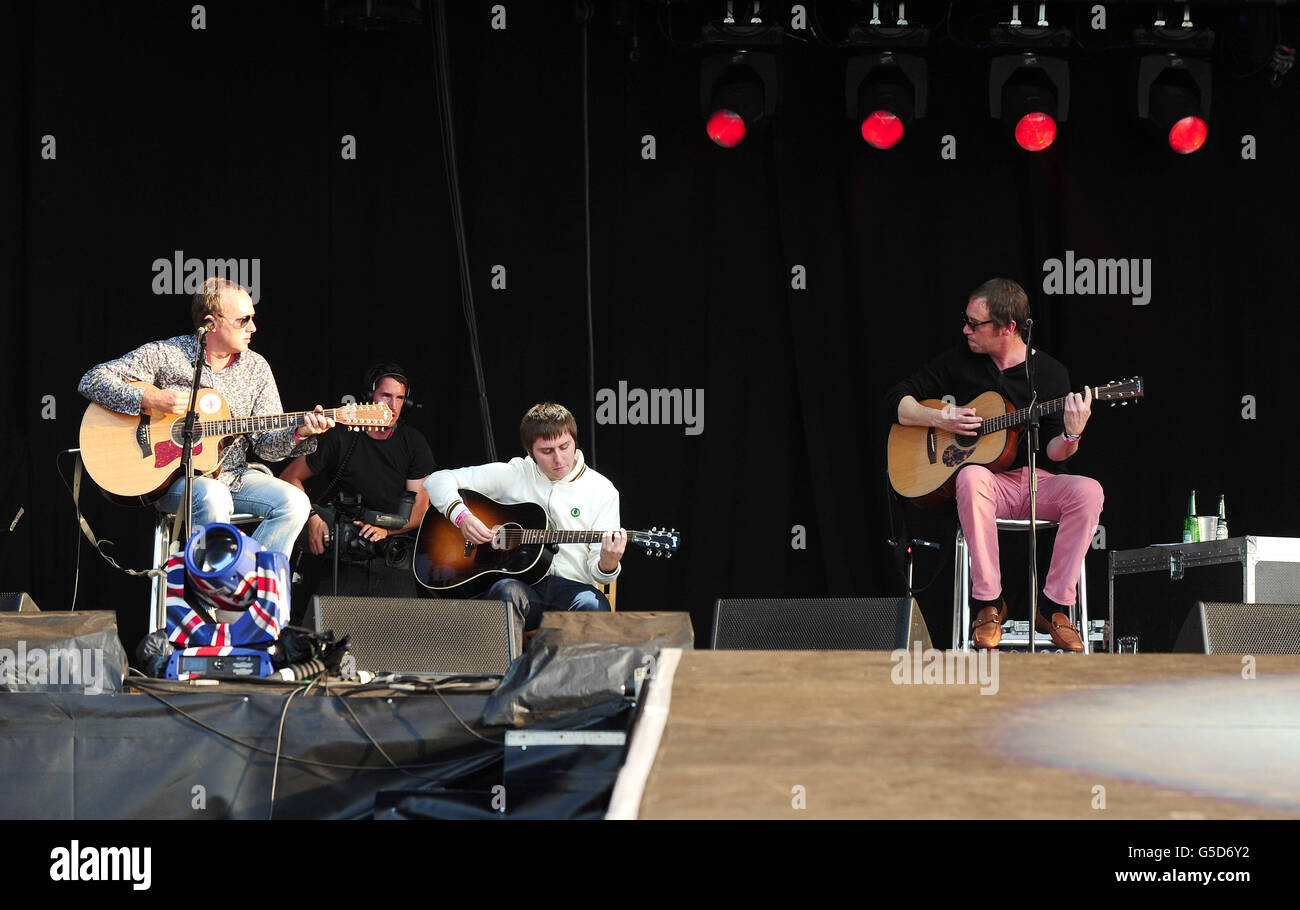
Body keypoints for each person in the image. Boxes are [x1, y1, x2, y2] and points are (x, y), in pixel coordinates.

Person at [887, 277, 1103, 651]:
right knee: (971, 474)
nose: (966, 329)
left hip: (1041, 482)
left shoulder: (1051, 374)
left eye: (975, 324)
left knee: (1089, 491)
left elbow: (1056, 453)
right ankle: (989, 604)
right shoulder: (961, 360)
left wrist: (1071, 434)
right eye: (967, 321)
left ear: (1008, 328)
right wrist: (942, 419)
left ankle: (1054, 608)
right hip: (990, 485)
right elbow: (895, 398)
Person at [78, 277, 333, 556]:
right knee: (214, 495)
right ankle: (208, 591)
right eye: (243, 320)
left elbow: (266, 448)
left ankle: (244, 582)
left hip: (235, 476)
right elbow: (92, 380)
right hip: (174, 481)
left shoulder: (257, 368)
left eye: (252, 318)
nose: (253, 327)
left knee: (294, 502)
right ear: (211, 323)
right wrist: (150, 398)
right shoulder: (168, 354)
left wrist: (299, 433)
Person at [423, 403, 625, 650]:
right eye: (546, 451)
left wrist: (608, 562)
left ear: (574, 441)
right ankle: (506, 682)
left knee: (593, 606)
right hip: (525, 587)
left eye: (565, 447)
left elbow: (599, 571)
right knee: (505, 591)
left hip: (574, 590)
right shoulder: (515, 473)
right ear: (530, 452)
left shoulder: (601, 490)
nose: (559, 458)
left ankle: (569, 684)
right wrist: (463, 517)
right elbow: (436, 480)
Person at [280, 362, 435, 597]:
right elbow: (289, 477)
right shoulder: (341, 435)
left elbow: (419, 510)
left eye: (400, 398)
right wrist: (312, 518)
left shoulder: (413, 442)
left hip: (391, 554)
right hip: (343, 553)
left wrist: (386, 531)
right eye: (386, 396)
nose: (393, 406)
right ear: (369, 396)